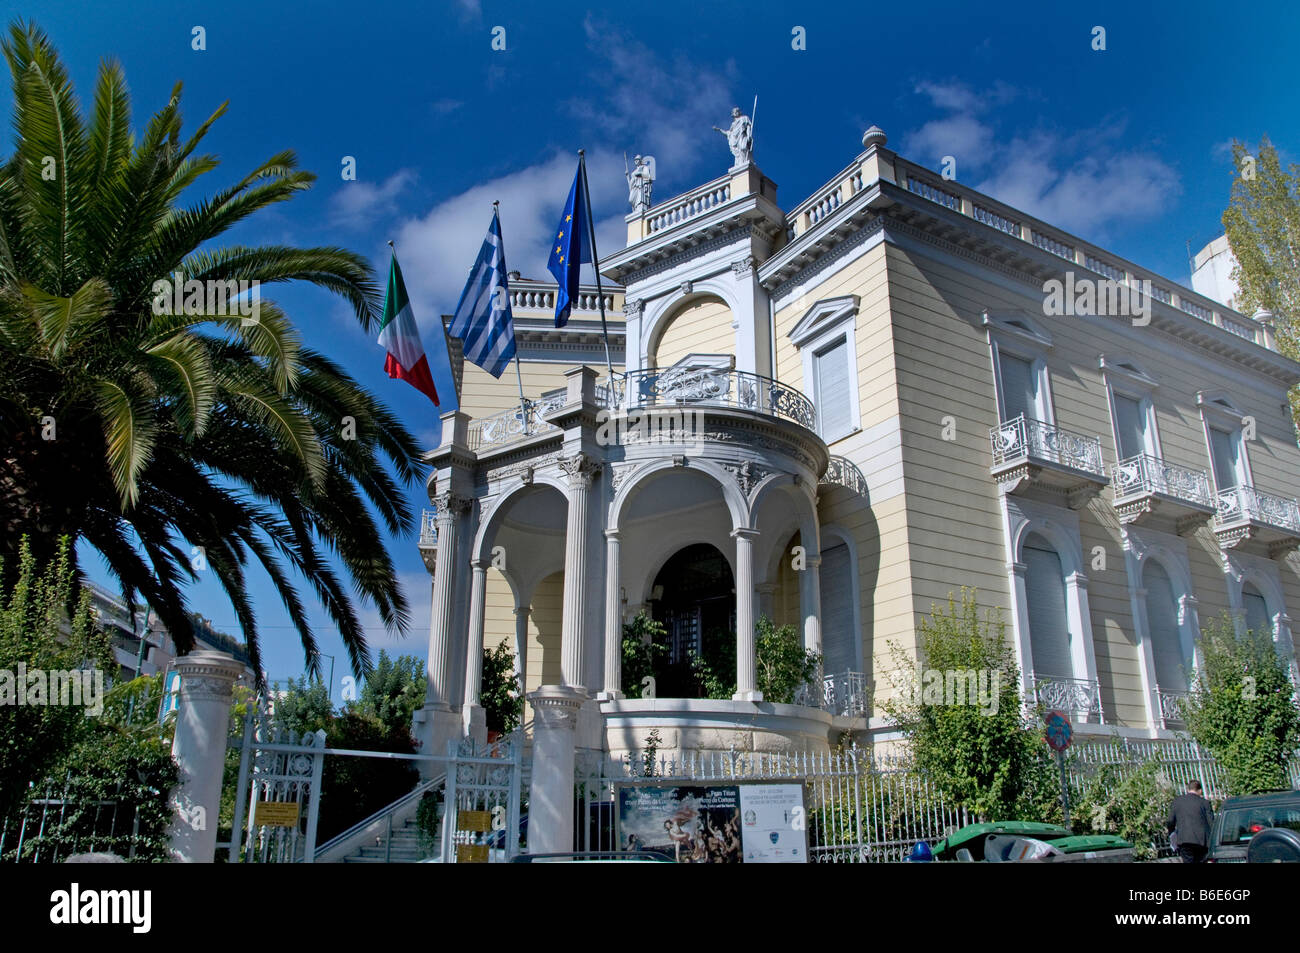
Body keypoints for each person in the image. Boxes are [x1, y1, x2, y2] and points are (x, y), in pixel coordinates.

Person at [1166, 780, 1214, 863]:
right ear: (1200, 790)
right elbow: (1211, 823)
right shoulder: (1205, 803)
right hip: (1202, 841)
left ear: (1188, 789)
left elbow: (1170, 821)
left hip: (1184, 840)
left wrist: (1172, 834)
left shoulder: (1177, 801)